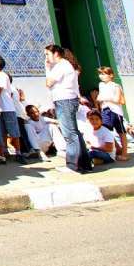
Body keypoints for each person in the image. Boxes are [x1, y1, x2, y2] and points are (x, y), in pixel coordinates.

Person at [45, 45, 92, 175]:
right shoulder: (65, 66)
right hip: (67, 101)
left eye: (48, 54)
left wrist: (47, 68)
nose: (47, 57)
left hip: (64, 101)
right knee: (74, 132)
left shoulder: (61, 66)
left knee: (70, 134)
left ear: (56, 54)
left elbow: (48, 83)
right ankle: (84, 163)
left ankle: (73, 166)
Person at [0, 56, 23, 164]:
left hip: (7, 108)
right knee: (1, 131)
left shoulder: (2, 76)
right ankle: (4, 150)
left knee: (13, 132)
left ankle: (18, 152)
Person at [95, 67, 129, 161]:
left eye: (104, 74)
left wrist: (106, 98)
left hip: (115, 110)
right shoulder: (101, 85)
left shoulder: (115, 86)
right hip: (105, 109)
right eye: (100, 74)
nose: (102, 76)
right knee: (106, 130)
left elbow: (120, 100)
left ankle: (125, 153)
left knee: (121, 132)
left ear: (111, 75)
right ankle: (118, 149)